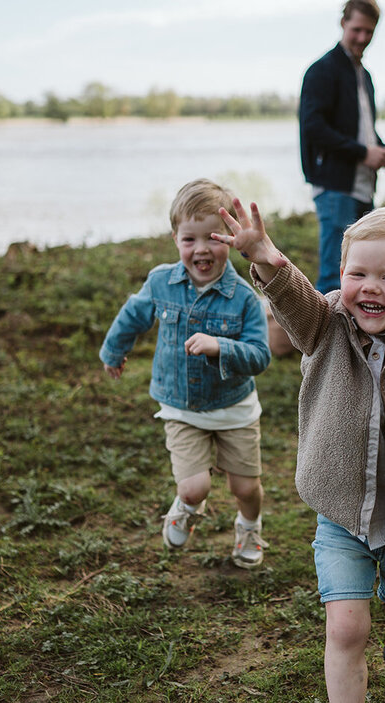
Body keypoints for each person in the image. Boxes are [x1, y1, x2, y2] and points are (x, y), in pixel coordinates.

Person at [215, 200, 385, 703]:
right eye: (358, 273)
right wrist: (263, 254)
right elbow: (292, 297)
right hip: (341, 514)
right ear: (341, 274)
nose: (371, 287)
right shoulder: (325, 323)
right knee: (345, 628)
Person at [99, 179, 272, 568]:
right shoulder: (161, 281)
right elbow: (133, 316)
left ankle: (249, 525)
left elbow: (260, 356)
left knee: (245, 486)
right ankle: (187, 506)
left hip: (234, 407)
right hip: (180, 405)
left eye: (212, 238)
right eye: (188, 239)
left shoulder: (244, 297)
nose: (201, 250)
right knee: (195, 487)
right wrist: (114, 351)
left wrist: (221, 346)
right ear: (175, 238)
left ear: (230, 238)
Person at [299, 0, 385, 294]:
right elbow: (313, 128)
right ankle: (322, 343)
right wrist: (362, 153)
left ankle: (357, 342)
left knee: (363, 274)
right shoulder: (322, 70)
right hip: (334, 187)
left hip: (362, 186)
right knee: (335, 277)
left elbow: (363, 131)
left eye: (369, 31)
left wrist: (381, 151)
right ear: (343, 23)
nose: (362, 37)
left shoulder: (364, 75)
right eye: (356, 29)